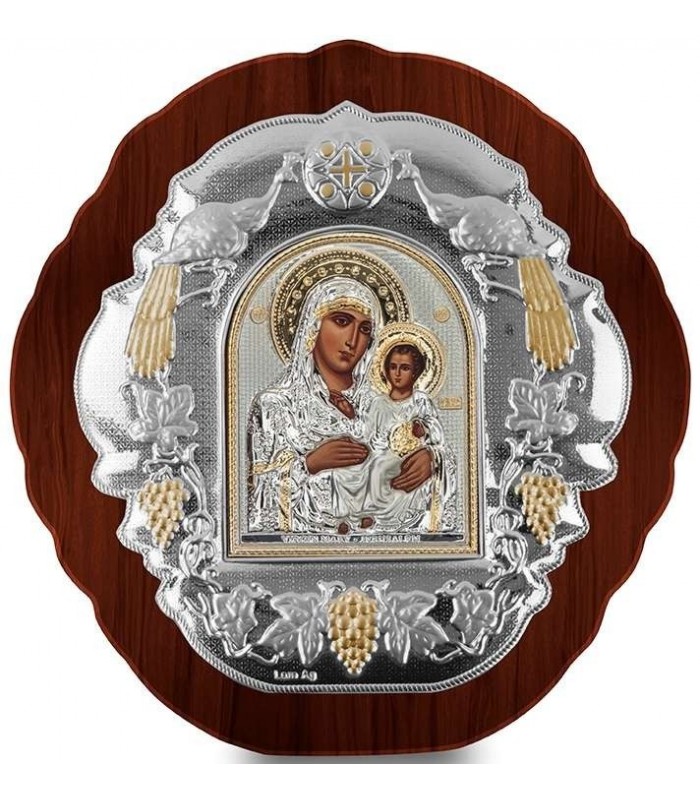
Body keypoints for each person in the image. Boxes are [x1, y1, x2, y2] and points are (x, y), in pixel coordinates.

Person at [334, 341, 456, 533]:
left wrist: (422, 429)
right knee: (343, 471)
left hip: (403, 456)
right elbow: (366, 435)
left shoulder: (420, 401)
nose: (397, 373)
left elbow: (436, 431)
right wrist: (350, 415)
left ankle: (375, 516)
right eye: (393, 367)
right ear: (385, 370)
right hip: (377, 451)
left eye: (404, 368)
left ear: (415, 372)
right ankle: (348, 516)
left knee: (379, 468)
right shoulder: (379, 403)